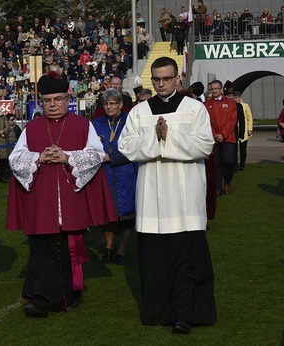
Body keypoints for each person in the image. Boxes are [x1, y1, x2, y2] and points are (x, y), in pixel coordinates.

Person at [118, 57, 216, 334]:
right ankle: (158, 311)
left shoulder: (194, 108)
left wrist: (168, 136)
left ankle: (186, 314)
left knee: (187, 259)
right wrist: (155, 138)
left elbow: (205, 145)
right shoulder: (139, 112)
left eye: (166, 79)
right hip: (152, 195)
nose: (161, 84)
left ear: (177, 79)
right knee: (156, 260)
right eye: (156, 79)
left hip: (186, 195)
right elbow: (126, 146)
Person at [6, 71, 117, 318]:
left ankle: (69, 294)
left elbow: (97, 154)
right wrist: (39, 157)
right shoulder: (32, 128)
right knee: (41, 249)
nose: (53, 104)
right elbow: (15, 158)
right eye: (48, 101)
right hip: (42, 198)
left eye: (58, 99)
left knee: (70, 248)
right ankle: (42, 298)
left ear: (68, 99)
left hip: (70, 196)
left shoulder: (82, 125)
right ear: (41, 102)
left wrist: (68, 157)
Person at [92, 89, 137, 266]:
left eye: (113, 103)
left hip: (126, 173)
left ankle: (121, 251)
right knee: (108, 214)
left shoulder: (130, 122)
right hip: (104, 174)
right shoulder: (97, 123)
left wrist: (113, 157)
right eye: (106, 104)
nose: (109, 107)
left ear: (120, 104)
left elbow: (136, 148)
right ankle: (109, 247)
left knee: (126, 216)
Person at [205, 80, 238, 195]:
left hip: (228, 138)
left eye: (216, 88)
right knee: (216, 164)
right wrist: (215, 135)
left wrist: (223, 135)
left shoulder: (230, 103)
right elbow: (206, 122)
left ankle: (227, 181)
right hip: (214, 140)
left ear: (221, 89)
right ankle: (217, 187)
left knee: (229, 162)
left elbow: (233, 120)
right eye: (212, 89)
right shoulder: (207, 104)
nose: (214, 90)